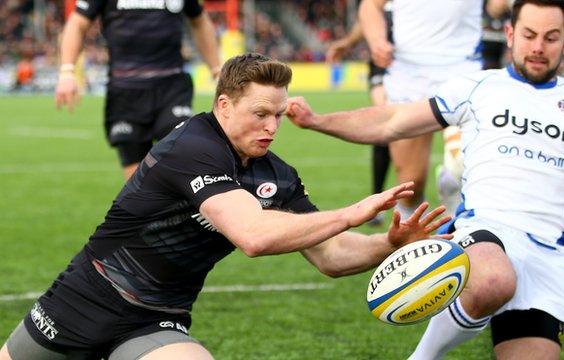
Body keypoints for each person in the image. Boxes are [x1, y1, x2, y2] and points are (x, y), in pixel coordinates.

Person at [0, 53, 452, 360]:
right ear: (224, 105)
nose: (272, 126)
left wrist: (389, 243)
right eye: (260, 113)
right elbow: (252, 235)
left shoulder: (277, 175)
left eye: (278, 114)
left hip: (158, 318)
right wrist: (351, 213)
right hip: (85, 299)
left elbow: (332, 257)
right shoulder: (192, 146)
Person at [286, 1, 564, 358]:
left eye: (550, 38)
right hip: (484, 233)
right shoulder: (477, 87)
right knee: (493, 279)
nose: (537, 47)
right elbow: (391, 122)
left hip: (546, 258)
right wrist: (319, 121)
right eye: (529, 35)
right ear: (510, 34)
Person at [359, 0, 505, 220]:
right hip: (408, 79)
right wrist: (376, 40)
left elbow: (496, 6)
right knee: (411, 185)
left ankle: (455, 194)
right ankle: (417, 248)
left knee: (462, 169)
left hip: (462, 72)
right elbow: (370, 6)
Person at [54, 0, 221, 179]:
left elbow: (200, 20)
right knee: (137, 180)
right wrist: (67, 72)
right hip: (125, 93)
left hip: (171, 88)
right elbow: (77, 23)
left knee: (181, 154)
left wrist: (216, 69)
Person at [325, 1, 393, 226]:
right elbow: (367, 16)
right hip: (384, 63)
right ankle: (378, 201)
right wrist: (348, 42)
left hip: (422, 65)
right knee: (385, 125)